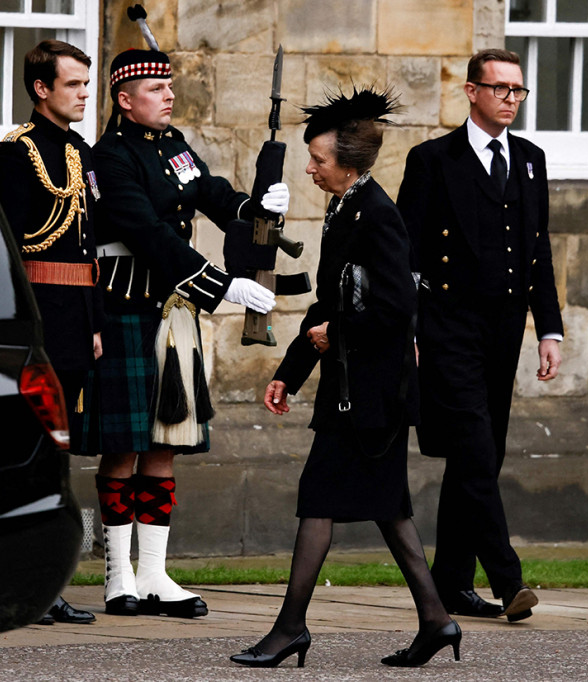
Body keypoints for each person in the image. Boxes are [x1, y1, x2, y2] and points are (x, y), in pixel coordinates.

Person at [230, 86, 460, 669]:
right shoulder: (345, 208)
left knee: (318, 500)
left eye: (319, 160)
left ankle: (290, 630)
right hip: (354, 387)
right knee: (391, 511)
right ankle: (436, 621)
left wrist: (339, 335)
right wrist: (290, 373)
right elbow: (326, 306)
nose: (310, 168)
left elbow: (394, 310)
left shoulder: (379, 215)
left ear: (348, 165)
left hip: (372, 395)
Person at [80, 48, 282, 619]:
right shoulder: (109, 158)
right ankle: (119, 576)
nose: (169, 96)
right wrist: (222, 287)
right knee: (125, 447)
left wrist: (255, 205)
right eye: (155, 88)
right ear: (124, 99)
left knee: (167, 443)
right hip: (128, 307)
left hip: (172, 313)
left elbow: (211, 193)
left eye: (170, 86)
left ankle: (154, 575)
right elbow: (147, 233)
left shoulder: (174, 147)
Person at [396, 48, 563, 622]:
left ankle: (449, 583)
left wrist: (551, 330)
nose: (510, 99)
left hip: (504, 329)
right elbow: (407, 252)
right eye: (500, 89)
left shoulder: (533, 159)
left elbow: (538, 249)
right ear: (471, 92)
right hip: (447, 327)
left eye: (518, 91)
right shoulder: (432, 159)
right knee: (473, 445)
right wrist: (410, 327)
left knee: (479, 458)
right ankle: (508, 577)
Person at [0, 39, 102, 626]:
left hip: (76, 318)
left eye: (86, 84)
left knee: (59, 456)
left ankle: (48, 582)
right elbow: (11, 247)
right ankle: (27, 584)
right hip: (39, 315)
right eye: (74, 85)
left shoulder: (79, 151)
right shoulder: (17, 152)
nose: (85, 94)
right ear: (42, 89)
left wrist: (95, 325)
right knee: (34, 451)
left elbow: (88, 247)